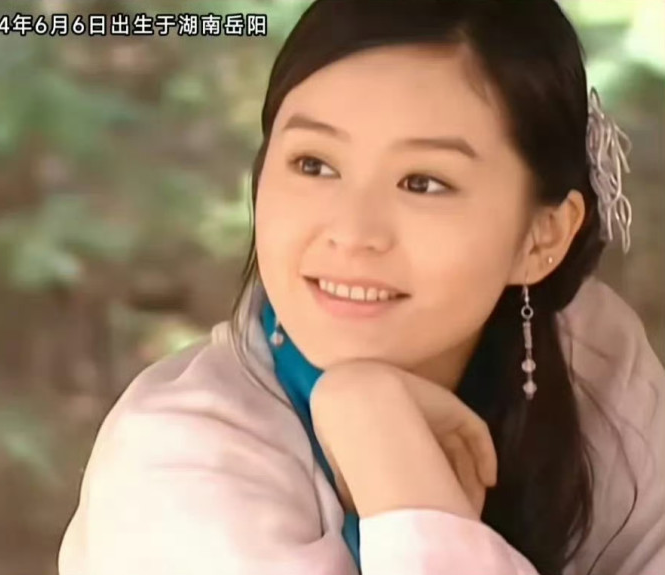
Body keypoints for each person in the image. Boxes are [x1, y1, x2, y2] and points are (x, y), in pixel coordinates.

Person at [57, 0, 665, 573]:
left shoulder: (592, 350)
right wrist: (402, 475)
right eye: (314, 165)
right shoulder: (180, 461)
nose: (352, 234)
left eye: (423, 182)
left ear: (541, 237)